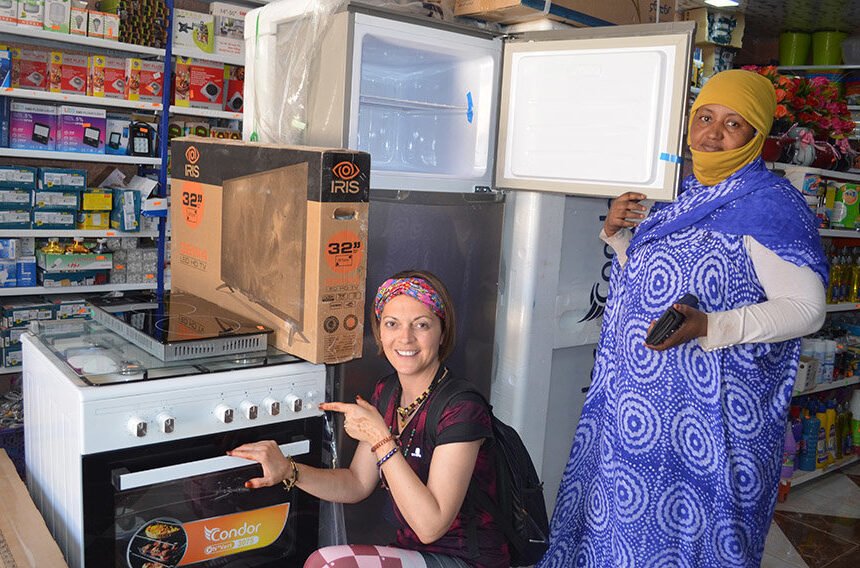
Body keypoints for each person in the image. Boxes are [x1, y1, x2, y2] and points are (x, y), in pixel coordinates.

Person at [539, 69, 828, 567]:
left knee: (693, 541)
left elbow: (807, 310)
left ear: (757, 135)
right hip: (637, 409)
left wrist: (712, 326)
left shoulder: (771, 205)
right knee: (620, 530)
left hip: (708, 421)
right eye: (705, 117)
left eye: (734, 124)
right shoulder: (682, 192)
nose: (712, 134)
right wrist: (615, 236)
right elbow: (656, 282)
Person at [228, 270, 508, 568]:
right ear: (380, 331)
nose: (405, 338)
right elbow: (357, 483)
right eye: (392, 324)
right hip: (414, 552)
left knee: (329, 563)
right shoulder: (388, 392)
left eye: (422, 325)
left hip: (469, 561)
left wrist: (380, 438)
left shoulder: (462, 407)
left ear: (442, 332)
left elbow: (431, 526)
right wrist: (289, 470)